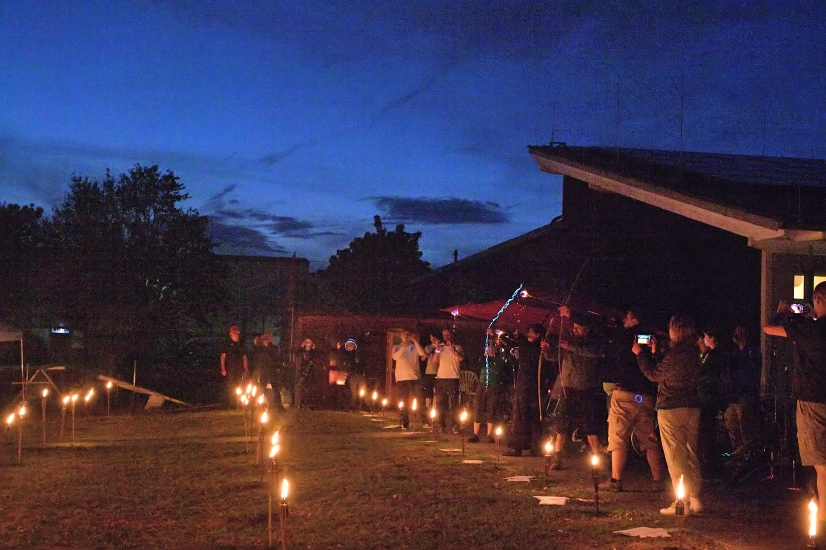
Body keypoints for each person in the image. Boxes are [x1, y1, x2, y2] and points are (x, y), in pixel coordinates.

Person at [764, 286, 826, 526]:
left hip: (812, 401)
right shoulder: (811, 326)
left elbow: (769, 328)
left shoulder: (809, 329)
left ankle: (823, 519)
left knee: (822, 464)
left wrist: (781, 312)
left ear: (818, 300)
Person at [635, 314, 703, 515]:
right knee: (690, 452)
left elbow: (654, 375)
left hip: (671, 407)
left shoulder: (676, 355)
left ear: (675, 330)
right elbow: (668, 371)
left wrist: (640, 355)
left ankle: (681, 503)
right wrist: (656, 353)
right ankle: (695, 497)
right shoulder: (694, 353)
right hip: (692, 407)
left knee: (675, 455)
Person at [600, 308, 663, 492]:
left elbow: (609, 345)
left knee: (618, 437)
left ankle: (616, 480)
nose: (624, 320)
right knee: (649, 439)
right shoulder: (651, 338)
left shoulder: (623, 336)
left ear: (634, 319)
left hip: (625, 393)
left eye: (627, 317)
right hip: (646, 395)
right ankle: (658, 480)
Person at [548, 308, 604, 467]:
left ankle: (597, 457)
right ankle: (557, 456)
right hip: (568, 388)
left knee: (590, 425)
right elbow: (556, 357)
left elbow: (591, 352)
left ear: (586, 329)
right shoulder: (570, 341)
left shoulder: (592, 342)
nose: (574, 330)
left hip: (587, 388)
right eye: (574, 327)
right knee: (562, 423)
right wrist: (546, 350)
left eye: (578, 327)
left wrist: (570, 346)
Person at [504, 323, 551, 456]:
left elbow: (516, 342)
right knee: (529, 416)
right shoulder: (531, 347)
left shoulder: (535, 348)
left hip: (529, 386)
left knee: (523, 416)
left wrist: (515, 336)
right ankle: (532, 447)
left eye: (532, 332)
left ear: (538, 335)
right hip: (531, 386)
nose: (529, 335)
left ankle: (522, 447)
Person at [697, 328, 729, 477]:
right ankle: (711, 464)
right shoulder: (713, 354)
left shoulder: (716, 355)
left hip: (709, 398)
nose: (703, 340)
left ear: (712, 338)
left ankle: (711, 466)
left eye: (705, 337)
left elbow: (703, 373)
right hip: (708, 397)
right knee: (707, 431)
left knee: (708, 432)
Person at [468, 328, 510, 443]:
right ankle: (475, 433)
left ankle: (489, 434)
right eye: (488, 347)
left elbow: (503, 366)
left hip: (494, 385)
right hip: (482, 383)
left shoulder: (499, 359)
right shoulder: (483, 359)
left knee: (491, 408)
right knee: (478, 407)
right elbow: (477, 359)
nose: (490, 348)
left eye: (492, 347)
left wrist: (495, 338)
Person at [725, 325, 761, 453]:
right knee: (732, 426)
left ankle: (748, 453)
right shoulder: (734, 353)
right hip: (733, 395)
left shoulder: (751, 352)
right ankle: (737, 452)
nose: (735, 334)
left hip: (745, 394)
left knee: (745, 427)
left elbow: (752, 372)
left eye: (738, 332)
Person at [392, 330, 426, 429]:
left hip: (414, 378)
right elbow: (395, 357)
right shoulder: (396, 347)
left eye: (408, 334)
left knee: (420, 399)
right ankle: (405, 422)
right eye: (405, 334)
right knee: (404, 401)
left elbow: (422, 353)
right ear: (401, 336)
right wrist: (403, 347)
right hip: (402, 378)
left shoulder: (414, 347)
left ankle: (425, 420)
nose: (407, 336)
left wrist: (415, 341)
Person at [434, 327, 464, 433]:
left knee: (454, 403)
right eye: (444, 335)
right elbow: (434, 361)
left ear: (451, 335)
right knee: (441, 403)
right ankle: (441, 425)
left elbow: (460, 358)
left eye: (447, 335)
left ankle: (455, 425)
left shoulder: (458, 347)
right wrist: (437, 349)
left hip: (453, 378)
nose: (445, 337)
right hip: (441, 378)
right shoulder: (441, 348)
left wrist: (453, 349)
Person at [253, 332, 285, 413]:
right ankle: (259, 404)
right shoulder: (260, 348)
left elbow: (275, 357)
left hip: (272, 370)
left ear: (271, 338)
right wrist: (256, 344)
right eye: (265, 337)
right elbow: (255, 356)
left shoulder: (274, 348)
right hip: (263, 370)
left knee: (276, 389)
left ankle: (279, 407)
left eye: (268, 337)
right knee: (261, 388)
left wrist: (266, 346)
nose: (266, 339)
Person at [220, 325, 249, 404]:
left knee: (240, 383)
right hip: (230, 368)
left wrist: (246, 368)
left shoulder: (241, 344)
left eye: (236, 333)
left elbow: (244, 357)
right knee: (231, 384)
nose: (235, 334)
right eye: (234, 333)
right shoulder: (227, 344)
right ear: (230, 334)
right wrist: (223, 368)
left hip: (239, 368)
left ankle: (239, 401)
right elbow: (223, 357)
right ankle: (232, 402)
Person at [422, 331, 442, 424]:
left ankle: (435, 416)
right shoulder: (428, 347)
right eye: (431, 338)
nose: (432, 339)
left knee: (436, 395)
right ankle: (427, 416)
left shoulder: (441, 347)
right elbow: (424, 356)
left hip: (438, 373)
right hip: (429, 373)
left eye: (434, 338)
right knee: (428, 395)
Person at [294, 338, 317, 409]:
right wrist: (301, 346)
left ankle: (310, 404)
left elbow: (317, 356)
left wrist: (314, 349)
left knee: (310, 388)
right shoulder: (302, 351)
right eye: (306, 342)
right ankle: (301, 404)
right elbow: (296, 353)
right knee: (302, 388)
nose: (308, 343)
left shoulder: (313, 352)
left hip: (310, 371)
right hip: (302, 370)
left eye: (309, 342)